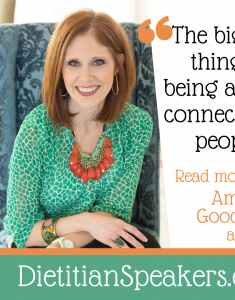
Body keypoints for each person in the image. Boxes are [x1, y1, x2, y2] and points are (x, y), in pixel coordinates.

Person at [4, 9, 160, 249]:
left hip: (99, 237)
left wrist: (67, 244)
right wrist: (83, 222)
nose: (85, 77)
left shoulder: (136, 124)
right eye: (73, 63)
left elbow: (114, 213)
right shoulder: (36, 128)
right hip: (38, 244)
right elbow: (22, 230)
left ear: (118, 64)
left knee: (145, 246)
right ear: (59, 68)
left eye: (98, 62)